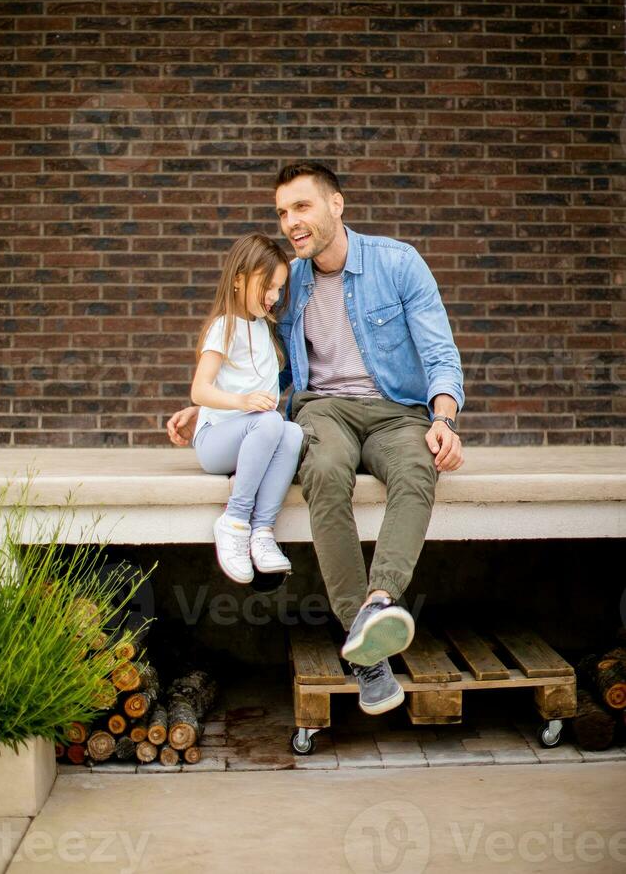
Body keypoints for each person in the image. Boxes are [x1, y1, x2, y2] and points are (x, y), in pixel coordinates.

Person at [167, 162, 465, 717]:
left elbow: (440, 354)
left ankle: (378, 605)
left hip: (398, 411)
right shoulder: (291, 277)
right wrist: (210, 403)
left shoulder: (396, 264)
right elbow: (271, 367)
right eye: (282, 212)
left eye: (301, 207)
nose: (290, 223)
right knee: (325, 471)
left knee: (417, 468)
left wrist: (443, 418)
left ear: (336, 205)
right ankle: (368, 656)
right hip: (323, 407)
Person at [190, 232, 304, 585]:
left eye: (279, 289)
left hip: (253, 436)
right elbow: (200, 390)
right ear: (239, 280)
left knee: (293, 431)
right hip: (215, 443)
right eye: (267, 286)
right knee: (271, 422)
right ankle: (235, 521)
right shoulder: (224, 327)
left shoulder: (264, 330)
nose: (274, 296)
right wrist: (242, 403)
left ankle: (261, 531)